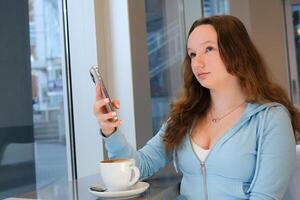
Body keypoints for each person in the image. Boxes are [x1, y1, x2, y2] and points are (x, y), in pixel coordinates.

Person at [93, 15, 300, 200]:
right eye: (192, 54)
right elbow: (141, 166)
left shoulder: (271, 119)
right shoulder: (185, 117)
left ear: (237, 52)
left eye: (209, 49)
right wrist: (110, 130)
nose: (197, 63)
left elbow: (264, 197)